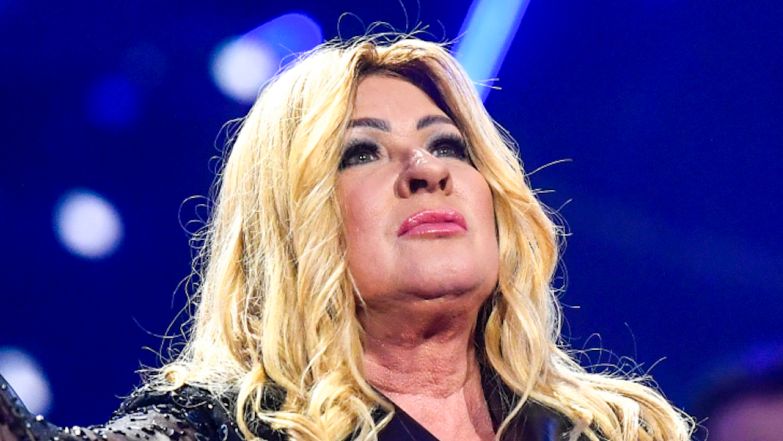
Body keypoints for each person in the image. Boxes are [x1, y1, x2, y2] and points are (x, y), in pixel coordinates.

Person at [0, 34, 694, 441]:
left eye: (449, 146)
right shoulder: (227, 427)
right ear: (293, 223)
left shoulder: (614, 430)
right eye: (361, 152)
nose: (426, 170)